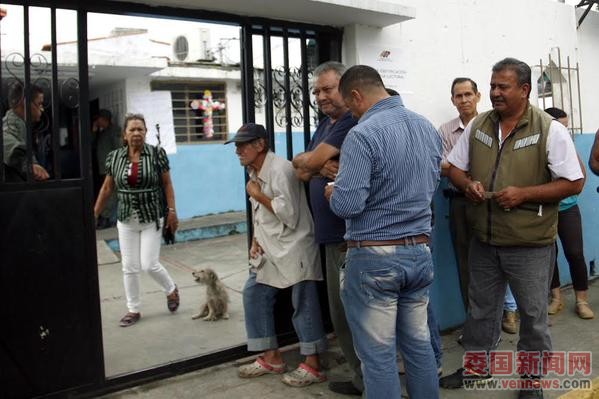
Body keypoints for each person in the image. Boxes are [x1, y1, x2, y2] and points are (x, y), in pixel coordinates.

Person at [440, 58, 584, 399]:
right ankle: (478, 366)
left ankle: (531, 380)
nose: (495, 93)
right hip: (485, 240)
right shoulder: (479, 126)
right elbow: (455, 168)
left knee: (533, 315)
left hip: (530, 242)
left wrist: (525, 194)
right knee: (481, 309)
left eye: (503, 86)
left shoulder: (549, 129)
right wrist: (467, 184)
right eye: (492, 86)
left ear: (525, 89)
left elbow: (574, 182)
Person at [327, 65, 442, 399]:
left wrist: (333, 192)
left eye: (351, 107)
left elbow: (348, 205)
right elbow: (429, 185)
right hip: (419, 253)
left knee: (378, 358)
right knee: (419, 348)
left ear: (356, 95)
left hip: (375, 258)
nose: (353, 114)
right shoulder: (427, 128)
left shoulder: (363, 135)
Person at [227, 123, 328, 387]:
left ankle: (312, 364)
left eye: (243, 145)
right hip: (270, 246)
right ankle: (271, 357)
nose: (238, 150)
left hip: (295, 245)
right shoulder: (255, 170)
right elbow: (258, 215)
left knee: (303, 302)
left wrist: (258, 194)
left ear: (260, 144)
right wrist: (254, 241)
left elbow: (290, 215)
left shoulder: (280, 169)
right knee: (254, 292)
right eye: (236, 145)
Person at [291, 61, 362, 395]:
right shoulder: (325, 126)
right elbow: (301, 169)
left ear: (347, 88)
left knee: (351, 315)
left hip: (347, 236)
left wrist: (314, 162)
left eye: (327, 89)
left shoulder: (350, 121)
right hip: (331, 236)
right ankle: (365, 379)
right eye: (316, 91)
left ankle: (369, 381)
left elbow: (310, 162)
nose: (320, 96)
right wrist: (318, 165)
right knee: (342, 315)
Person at [438, 77, 518, 334]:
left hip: (491, 201)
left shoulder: (493, 125)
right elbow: (442, 167)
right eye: (458, 96)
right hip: (460, 203)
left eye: (468, 95)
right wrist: (465, 172)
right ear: (453, 100)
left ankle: (509, 311)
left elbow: (496, 164)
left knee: (499, 257)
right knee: (466, 263)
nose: (464, 100)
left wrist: (458, 167)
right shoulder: (445, 131)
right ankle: (475, 322)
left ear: (478, 96)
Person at [94, 113, 180, 327]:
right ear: (124, 134)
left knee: (149, 264)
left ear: (146, 132)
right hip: (125, 219)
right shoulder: (115, 157)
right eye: (132, 129)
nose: (136, 133)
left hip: (152, 217)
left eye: (140, 129)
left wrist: (172, 210)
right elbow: (107, 188)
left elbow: (167, 184)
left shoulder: (157, 154)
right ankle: (133, 309)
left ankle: (171, 289)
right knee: (129, 267)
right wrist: (94, 213)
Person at [543, 107, 593, 319]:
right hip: (544, 208)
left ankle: (581, 301)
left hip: (568, 208)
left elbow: (582, 175)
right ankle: (556, 298)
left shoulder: (568, 147)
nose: (564, 132)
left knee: (575, 253)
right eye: (560, 127)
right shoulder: (540, 146)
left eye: (566, 127)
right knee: (548, 255)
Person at [2, 82, 49, 182]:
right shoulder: (11, 123)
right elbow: (4, 140)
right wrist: (28, 163)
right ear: (25, 103)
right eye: (39, 104)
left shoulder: (21, 124)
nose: (42, 109)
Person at [93, 109, 122, 228]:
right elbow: (90, 144)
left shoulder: (114, 131)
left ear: (104, 119)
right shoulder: (102, 132)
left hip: (112, 168)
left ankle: (105, 218)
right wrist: (94, 131)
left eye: (98, 119)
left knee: (111, 193)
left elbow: (119, 148)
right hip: (103, 169)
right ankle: (106, 218)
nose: (96, 121)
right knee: (106, 193)